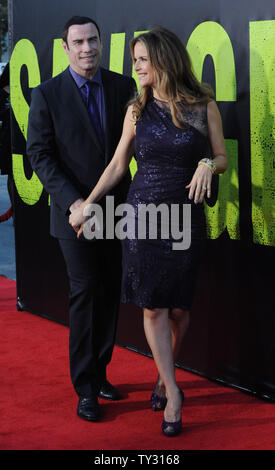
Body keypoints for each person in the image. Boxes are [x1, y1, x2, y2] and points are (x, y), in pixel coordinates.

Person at [69, 27, 228, 436]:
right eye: (135, 59)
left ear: (163, 61)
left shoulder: (202, 105)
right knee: (153, 307)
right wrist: (89, 203)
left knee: (179, 310)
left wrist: (208, 164)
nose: (135, 66)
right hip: (142, 218)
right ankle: (172, 391)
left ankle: (164, 372)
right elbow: (119, 164)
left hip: (184, 221)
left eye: (141, 59)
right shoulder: (136, 109)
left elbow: (222, 155)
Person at [27, 16, 136, 422]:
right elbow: (40, 154)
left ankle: (100, 371)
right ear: (65, 48)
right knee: (86, 292)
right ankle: (86, 389)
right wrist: (74, 201)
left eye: (93, 40)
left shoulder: (122, 86)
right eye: (79, 42)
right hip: (73, 216)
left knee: (109, 291)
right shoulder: (47, 94)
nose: (87, 47)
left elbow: (127, 150)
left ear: (101, 43)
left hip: (114, 209)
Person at [0, 63, 13, 214]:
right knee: (11, 175)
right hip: (7, 140)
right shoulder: (1, 93)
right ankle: (14, 209)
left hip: (24, 137)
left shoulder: (24, 88)